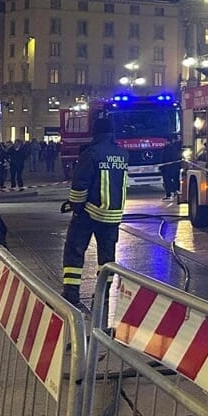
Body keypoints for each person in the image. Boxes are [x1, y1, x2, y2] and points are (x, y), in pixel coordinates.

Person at [61, 118, 129, 308]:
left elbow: (80, 185)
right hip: (113, 214)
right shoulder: (122, 154)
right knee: (107, 258)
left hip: (89, 213)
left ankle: (71, 294)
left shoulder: (91, 154)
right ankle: (103, 295)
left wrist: (76, 207)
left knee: (74, 252)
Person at [160, 134, 183, 201]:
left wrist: (162, 167)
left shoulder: (167, 148)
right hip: (175, 167)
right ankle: (176, 192)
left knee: (167, 181)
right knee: (175, 179)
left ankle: (170, 193)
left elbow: (165, 158)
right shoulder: (176, 147)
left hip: (167, 168)